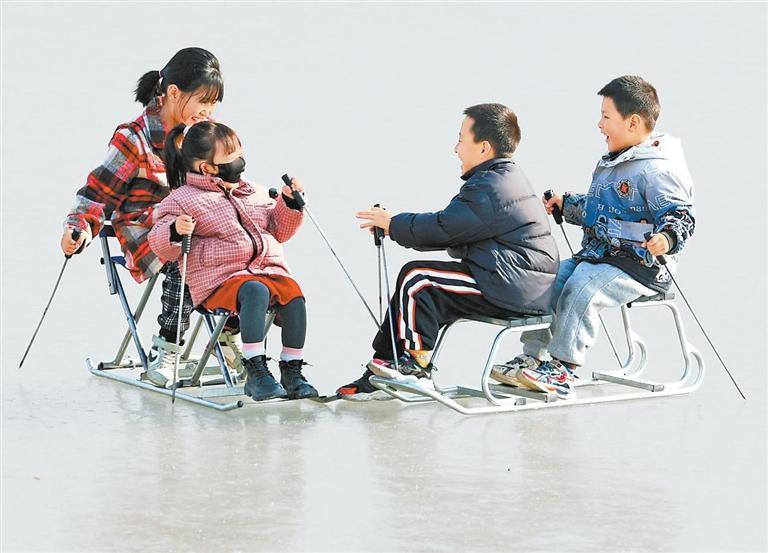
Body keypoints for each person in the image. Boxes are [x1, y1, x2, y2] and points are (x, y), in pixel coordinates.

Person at [336, 103, 559, 399]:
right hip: (511, 281)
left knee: (418, 279)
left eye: (461, 140)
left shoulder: (492, 186)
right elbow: (451, 229)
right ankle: (384, 367)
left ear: (484, 147)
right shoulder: (499, 178)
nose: (455, 149)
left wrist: (393, 224)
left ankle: (414, 368)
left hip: (514, 287)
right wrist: (394, 226)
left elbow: (445, 228)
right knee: (420, 287)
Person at [491, 75, 696, 399]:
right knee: (548, 281)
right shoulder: (615, 162)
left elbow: (680, 214)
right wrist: (567, 204)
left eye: (606, 117)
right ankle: (533, 357)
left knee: (582, 289)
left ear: (632, 122)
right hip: (599, 255)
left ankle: (564, 368)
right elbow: (599, 209)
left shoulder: (658, 169)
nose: (599, 125)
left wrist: (667, 238)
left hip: (638, 265)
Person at [59, 47, 234, 387]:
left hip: (197, 226)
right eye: (203, 102)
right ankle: (167, 351)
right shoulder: (134, 138)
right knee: (187, 255)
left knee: (240, 251)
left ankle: (229, 342)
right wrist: (77, 228)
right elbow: (98, 193)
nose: (208, 112)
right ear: (173, 93)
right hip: (147, 230)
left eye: (214, 104)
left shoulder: (203, 136)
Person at [147, 121, 318, 401]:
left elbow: (279, 231)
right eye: (231, 157)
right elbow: (158, 243)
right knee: (255, 291)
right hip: (218, 280)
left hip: (265, 269)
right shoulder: (182, 200)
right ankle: (256, 371)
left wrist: (289, 204)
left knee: (294, 296)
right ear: (207, 168)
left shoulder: (253, 192)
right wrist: (175, 230)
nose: (240, 163)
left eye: (240, 154)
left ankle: (292, 371)